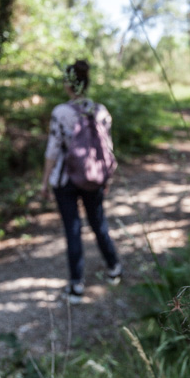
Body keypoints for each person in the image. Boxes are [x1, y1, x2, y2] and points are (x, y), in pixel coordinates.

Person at [41, 60, 122, 303]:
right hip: (94, 177)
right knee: (98, 223)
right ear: (86, 83)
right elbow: (108, 147)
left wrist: (45, 181)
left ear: (68, 84)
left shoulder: (61, 112)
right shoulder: (101, 110)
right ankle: (114, 267)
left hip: (66, 180)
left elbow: (53, 151)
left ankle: (76, 286)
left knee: (73, 229)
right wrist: (106, 176)